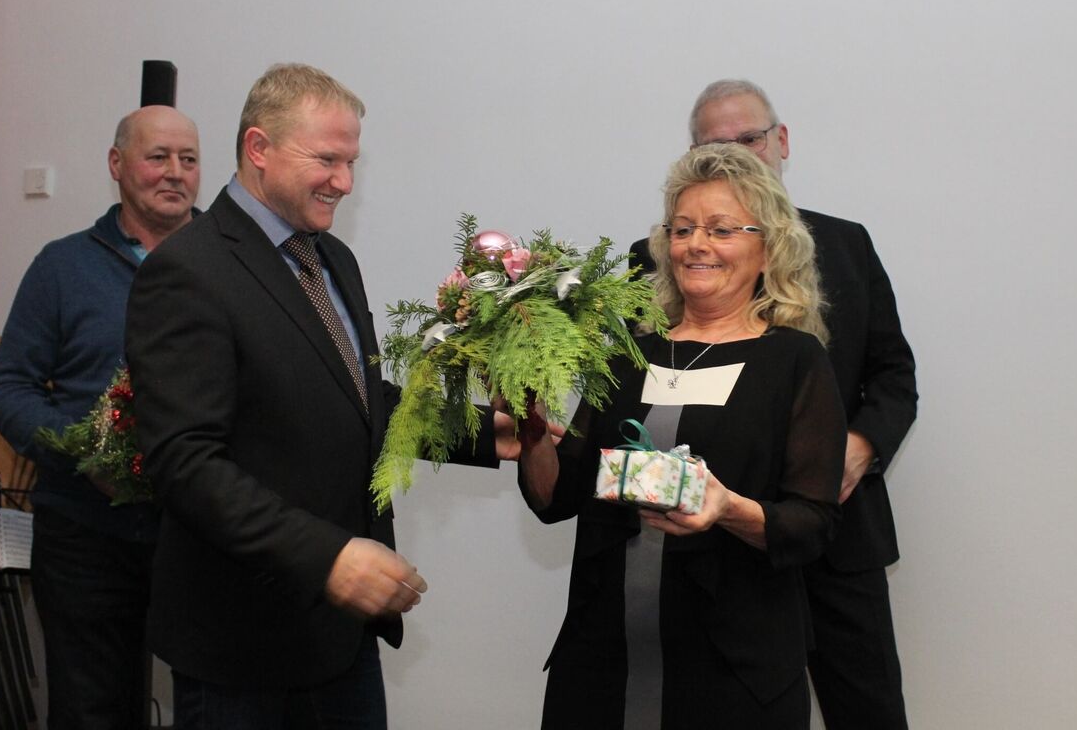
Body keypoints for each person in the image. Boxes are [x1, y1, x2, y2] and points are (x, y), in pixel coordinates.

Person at [124, 63, 522, 729]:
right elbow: (185, 463)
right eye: (327, 160)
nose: (344, 181)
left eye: (351, 162)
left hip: (339, 638)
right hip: (241, 647)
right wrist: (329, 558)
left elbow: (359, 399)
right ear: (259, 148)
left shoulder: (332, 259)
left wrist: (481, 433)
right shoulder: (187, 271)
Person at [518, 143, 847, 729]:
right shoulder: (627, 354)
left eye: (721, 230)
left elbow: (812, 524)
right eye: (683, 228)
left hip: (735, 676)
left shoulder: (795, 362)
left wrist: (727, 509)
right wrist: (534, 432)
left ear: (769, 249)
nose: (697, 244)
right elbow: (554, 498)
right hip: (600, 666)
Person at [631, 79, 918, 729]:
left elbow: (893, 375)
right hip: (714, 553)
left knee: (868, 709)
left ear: (781, 141)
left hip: (837, 533)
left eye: (749, 139)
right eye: (715, 144)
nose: (736, 153)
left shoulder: (847, 243)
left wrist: (858, 449)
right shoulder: (658, 257)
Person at [0, 105, 201, 728]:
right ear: (117, 164)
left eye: (188, 159)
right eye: (157, 156)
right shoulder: (63, 266)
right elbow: (10, 388)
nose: (175, 172)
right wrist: (81, 454)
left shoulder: (228, 264)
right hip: (84, 533)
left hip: (199, 532)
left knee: (214, 703)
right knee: (90, 711)